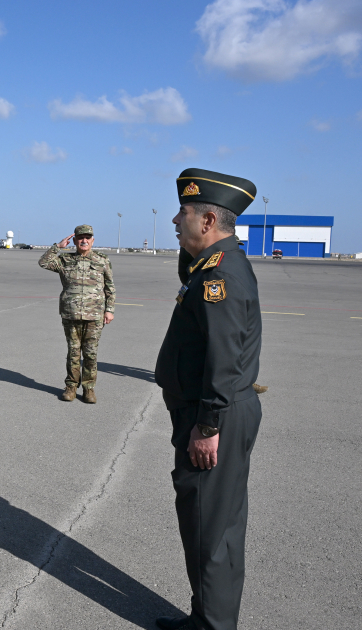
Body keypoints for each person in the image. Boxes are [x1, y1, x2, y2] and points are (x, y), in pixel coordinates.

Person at [155, 168, 263, 630]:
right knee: (213, 527)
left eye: (184, 212)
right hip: (212, 412)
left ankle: (212, 625)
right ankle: (209, 616)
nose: (175, 221)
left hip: (211, 417)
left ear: (206, 222)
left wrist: (208, 426)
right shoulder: (213, 264)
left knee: (208, 531)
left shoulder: (220, 275)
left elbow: (224, 358)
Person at [38, 225, 115, 403]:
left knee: (90, 354)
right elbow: (43, 262)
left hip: (94, 316)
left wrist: (109, 310)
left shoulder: (102, 260)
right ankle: (71, 387)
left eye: (88, 238)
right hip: (70, 314)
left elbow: (110, 287)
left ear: (93, 240)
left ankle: (89, 389)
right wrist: (58, 246)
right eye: (80, 238)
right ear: (74, 240)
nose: (84, 240)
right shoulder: (65, 260)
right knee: (73, 353)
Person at [179, 245, 268, 395]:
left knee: (238, 341)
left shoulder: (227, 253)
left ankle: (245, 381)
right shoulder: (191, 245)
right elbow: (184, 273)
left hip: (223, 287)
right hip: (202, 285)